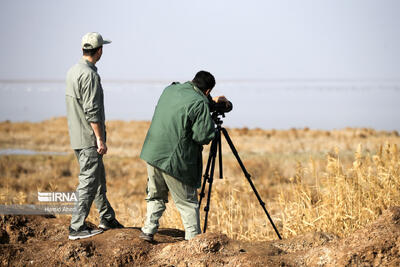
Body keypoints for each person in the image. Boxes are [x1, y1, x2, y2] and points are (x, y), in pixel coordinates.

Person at [139, 71, 230, 241]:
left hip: (153, 153)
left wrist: (210, 102)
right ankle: (193, 241)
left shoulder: (170, 90)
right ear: (208, 91)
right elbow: (202, 136)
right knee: (188, 203)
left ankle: (148, 230)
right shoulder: (200, 103)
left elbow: (187, 104)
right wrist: (209, 120)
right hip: (174, 160)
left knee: (155, 194)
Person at [65, 32, 123, 240]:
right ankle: (77, 227)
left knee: (98, 178)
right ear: (99, 50)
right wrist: (100, 138)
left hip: (77, 136)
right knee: (89, 181)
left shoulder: (73, 71)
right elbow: (92, 110)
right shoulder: (89, 75)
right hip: (89, 138)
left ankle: (107, 217)